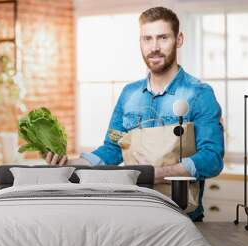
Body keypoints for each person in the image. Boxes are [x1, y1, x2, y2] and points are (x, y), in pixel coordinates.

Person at [44, 6, 224, 221]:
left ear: (179, 39)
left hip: (181, 218)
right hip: (134, 213)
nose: (154, 47)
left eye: (163, 38)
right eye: (147, 39)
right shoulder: (129, 94)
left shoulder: (199, 94)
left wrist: (157, 173)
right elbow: (112, 149)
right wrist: (70, 163)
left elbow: (212, 159)